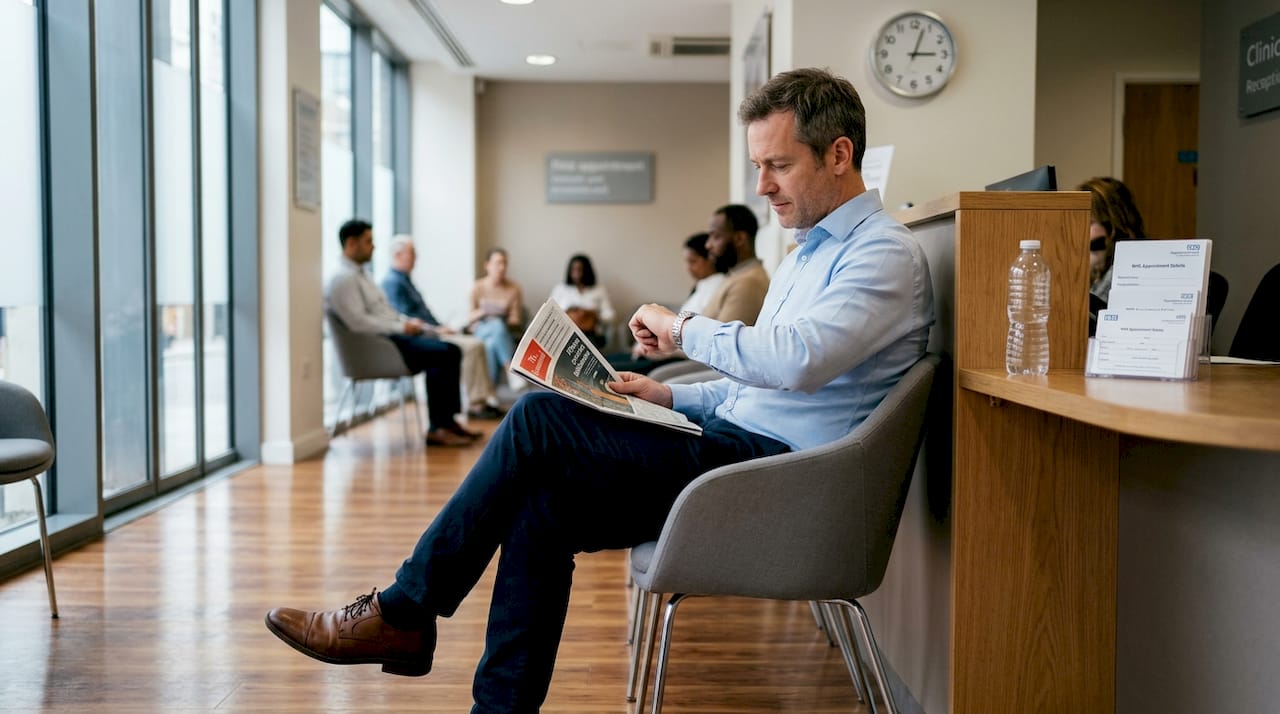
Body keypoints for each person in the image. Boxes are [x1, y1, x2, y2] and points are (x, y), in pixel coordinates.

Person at [265, 67, 934, 713]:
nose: (762, 186)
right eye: (758, 166)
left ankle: (404, 611)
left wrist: (681, 329)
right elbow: (750, 386)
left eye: (778, 165)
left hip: (783, 479)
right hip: (745, 447)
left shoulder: (882, 255)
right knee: (541, 505)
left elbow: (796, 362)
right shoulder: (807, 252)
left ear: (839, 154)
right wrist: (665, 396)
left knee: (535, 421)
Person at [325, 219, 478, 447]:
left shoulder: (363, 275)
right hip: (380, 347)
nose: (374, 247)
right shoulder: (342, 280)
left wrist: (408, 323)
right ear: (351, 243)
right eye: (369, 242)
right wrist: (401, 328)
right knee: (443, 353)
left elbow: (386, 313)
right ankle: (438, 428)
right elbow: (359, 323)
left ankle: (447, 422)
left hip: (391, 338)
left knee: (451, 349)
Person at [381, 236, 503, 420]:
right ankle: (475, 404)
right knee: (469, 347)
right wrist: (437, 330)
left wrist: (442, 326)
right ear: (397, 255)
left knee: (477, 344)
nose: (416, 257)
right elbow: (406, 320)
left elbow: (422, 315)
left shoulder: (406, 281)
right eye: (412, 253)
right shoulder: (392, 283)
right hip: (423, 337)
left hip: (433, 331)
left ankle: (480, 401)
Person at [606, 231, 728, 374]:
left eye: (693, 261)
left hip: (676, 357)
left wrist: (662, 351)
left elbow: (696, 336)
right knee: (605, 360)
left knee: (608, 369)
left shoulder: (717, 287)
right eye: (687, 262)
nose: (688, 267)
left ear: (710, 258)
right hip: (668, 350)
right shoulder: (702, 285)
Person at [1078, 176, 1147, 304]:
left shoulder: (1126, 272)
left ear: (1113, 225)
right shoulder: (1095, 268)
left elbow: (1094, 314)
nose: (1079, 231)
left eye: (1089, 223)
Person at [700, 203, 770, 324]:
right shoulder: (737, 275)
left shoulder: (748, 283)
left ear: (739, 239)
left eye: (715, 236)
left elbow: (721, 341)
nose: (708, 245)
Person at [467, 248, 524, 391]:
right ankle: (510, 369)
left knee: (491, 344)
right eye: (498, 263)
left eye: (504, 263)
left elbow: (515, 320)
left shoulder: (514, 288)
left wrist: (502, 314)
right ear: (487, 265)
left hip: (503, 332)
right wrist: (485, 311)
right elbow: (470, 317)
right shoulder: (477, 287)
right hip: (481, 328)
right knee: (495, 326)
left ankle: (490, 393)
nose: (502, 267)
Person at [549, 253, 616, 349]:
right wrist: (569, 312)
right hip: (565, 335)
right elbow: (550, 313)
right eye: (573, 269)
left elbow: (610, 315)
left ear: (587, 270)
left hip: (590, 335)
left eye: (580, 269)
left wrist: (593, 315)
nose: (576, 273)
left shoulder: (599, 289)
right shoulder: (560, 289)